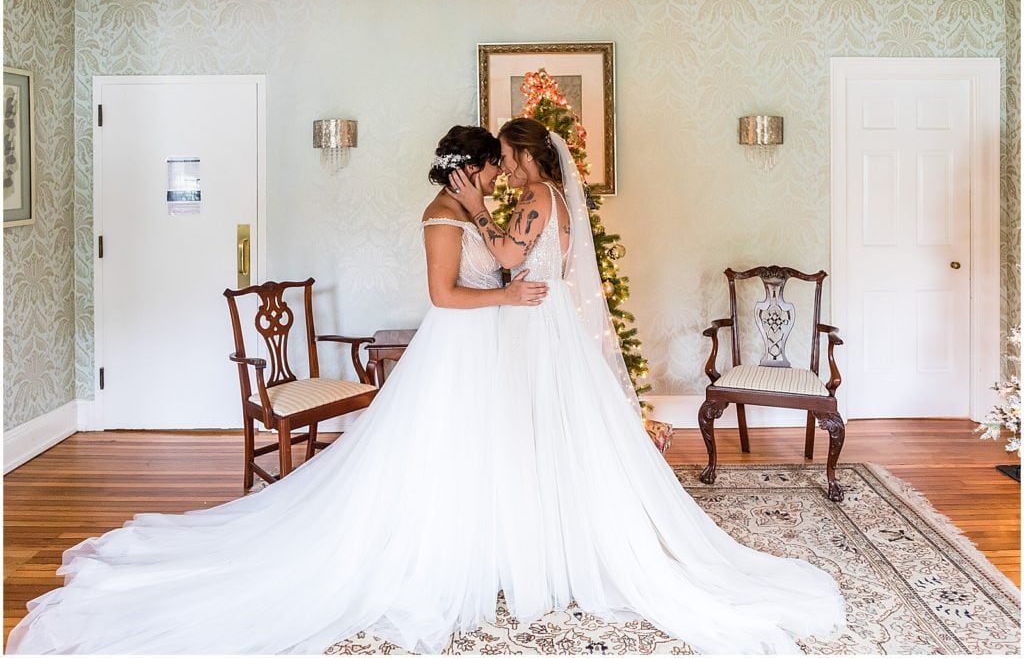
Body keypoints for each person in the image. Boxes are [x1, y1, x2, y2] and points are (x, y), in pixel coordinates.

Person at [6, 126, 547, 654]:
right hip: (457, 343)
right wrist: (508, 299)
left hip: (478, 347)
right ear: (472, 169)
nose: (501, 176)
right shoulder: (440, 219)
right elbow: (444, 296)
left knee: (469, 445)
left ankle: (477, 541)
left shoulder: (468, 213)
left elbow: (496, 265)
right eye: (495, 166)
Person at [446, 117, 847, 654]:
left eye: (505, 157)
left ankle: (547, 544)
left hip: (537, 320)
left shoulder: (539, 194)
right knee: (547, 427)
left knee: (537, 424)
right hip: (544, 316)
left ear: (523, 155)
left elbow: (511, 257)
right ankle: (549, 537)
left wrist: (474, 210)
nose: (504, 171)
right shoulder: (556, 194)